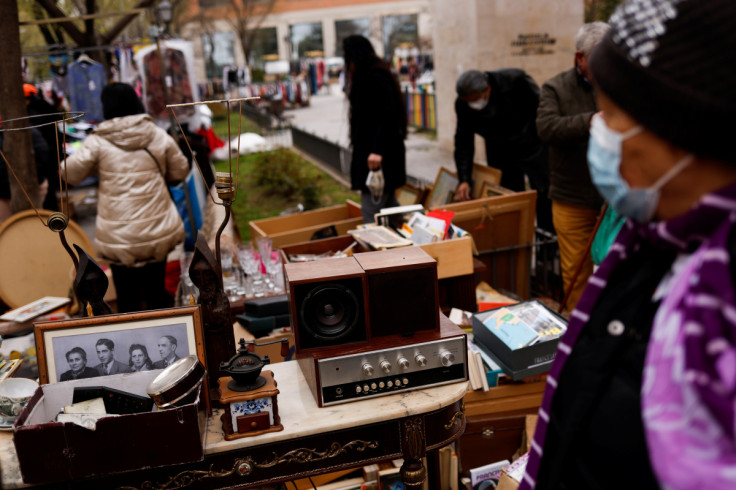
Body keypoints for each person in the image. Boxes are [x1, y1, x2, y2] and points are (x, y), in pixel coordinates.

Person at [521, 1, 736, 488]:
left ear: (681, 132)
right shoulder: (658, 243)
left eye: (612, 115)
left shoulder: (720, 293)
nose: (601, 132)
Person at [62, 82, 189, 313]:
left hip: (118, 235)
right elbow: (180, 170)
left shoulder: (98, 141)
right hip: (157, 227)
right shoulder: (157, 135)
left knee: (127, 298)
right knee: (157, 292)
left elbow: (69, 174)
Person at [535, 22, 609, 310]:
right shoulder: (555, 87)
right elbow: (546, 127)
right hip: (572, 197)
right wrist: (590, 121)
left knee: (616, 271)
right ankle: (581, 334)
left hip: (614, 200)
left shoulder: (621, 82)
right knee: (577, 275)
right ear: (581, 57)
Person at [453, 69, 553, 232]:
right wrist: (464, 178)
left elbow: (544, 111)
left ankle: (547, 248)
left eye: (476, 99)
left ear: (487, 89)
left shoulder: (515, 81)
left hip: (532, 145)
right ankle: (517, 245)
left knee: (544, 197)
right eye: (468, 101)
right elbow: (463, 141)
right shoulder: (463, 105)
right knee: (510, 202)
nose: (474, 105)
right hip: (500, 153)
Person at [343, 35, 407, 223]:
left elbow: (388, 114)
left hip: (378, 155)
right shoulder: (371, 73)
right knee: (388, 207)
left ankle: (377, 251)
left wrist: (377, 151)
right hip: (377, 152)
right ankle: (408, 247)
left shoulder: (374, 75)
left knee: (372, 211)